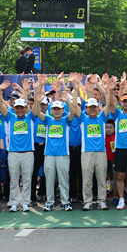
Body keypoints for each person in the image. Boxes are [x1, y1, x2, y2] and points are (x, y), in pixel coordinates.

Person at [32, 75, 79, 211]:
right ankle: (49, 202)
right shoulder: (48, 120)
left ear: (62, 110)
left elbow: (73, 113)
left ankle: (65, 202)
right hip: (49, 155)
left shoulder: (65, 120)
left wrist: (67, 102)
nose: (57, 111)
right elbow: (36, 112)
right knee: (50, 180)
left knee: (64, 180)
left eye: (59, 109)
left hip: (63, 154)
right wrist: (37, 99)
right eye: (55, 109)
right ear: (51, 110)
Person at [0, 81, 36, 212]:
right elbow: (1, 105)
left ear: (26, 108)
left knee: (27, 180)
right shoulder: (10, 117)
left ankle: (25, 202)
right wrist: (0, 90)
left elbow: (35, 107)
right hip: (13, 153)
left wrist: (25, 91)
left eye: (22, 108)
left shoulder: (31, 117)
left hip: (28, 153)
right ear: (14, 108)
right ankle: (13, 202)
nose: (19, 110)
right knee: (13, 179)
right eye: (17, 108)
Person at [75, 75, 111, 210]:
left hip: (101, 152)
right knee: (86, 180)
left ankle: (102, 201)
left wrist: (99, 85)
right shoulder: (83, 118)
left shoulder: (102, 117)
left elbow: (108, 102)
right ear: (87, 108)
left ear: (97, 108)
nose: (92, 109)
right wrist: (76, 87)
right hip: (87, 153)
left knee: (101, 179)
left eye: (94, 107)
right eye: (90, 107)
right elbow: (75, 106)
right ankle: (88, 201)